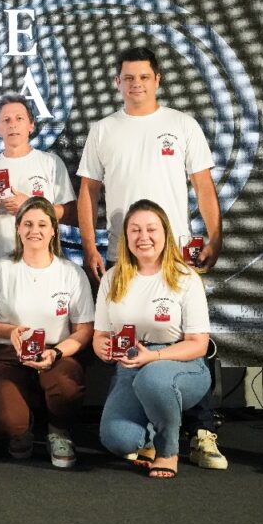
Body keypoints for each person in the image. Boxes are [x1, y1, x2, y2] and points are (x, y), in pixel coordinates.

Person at [76, 46, 226, 470]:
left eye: (144, 76)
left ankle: (201, 431)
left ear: (157, 80)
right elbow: (88, 191)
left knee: (188, 336)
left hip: (175, 251)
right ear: (117, 82)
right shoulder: (104, 130)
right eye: (128, 77)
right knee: (129, 334)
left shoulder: (182, 125)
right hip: (123, 251)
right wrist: (89, 245)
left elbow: (203, 185)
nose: (136, 84)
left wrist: (215, 237)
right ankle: (139, 427)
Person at [93, 199, 212, 479]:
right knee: (117, 439)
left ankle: (168, 450)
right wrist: (102, 348)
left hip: (181, 363)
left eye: (151, 229)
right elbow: (100, 335)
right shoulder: (112, 278)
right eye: (135, 230)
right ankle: (148, 437)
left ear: (165, 234)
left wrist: (154, 357)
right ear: (126, 237)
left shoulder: (186, 277)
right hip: (130, 365)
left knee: (153, 378)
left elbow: (199, 344)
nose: (143, 236)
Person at [0, 197, 93, 468]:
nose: (34, 230)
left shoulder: (71, 273)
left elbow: (84, 330)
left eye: (42, 224)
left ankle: (58, 430)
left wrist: (56, 352)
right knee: (10, 421)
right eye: (27, 224)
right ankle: (20, 432)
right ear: (18, 229)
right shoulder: (0, 269)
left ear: (53, 230)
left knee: (66, 387)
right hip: (7, 352)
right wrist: (9, 331)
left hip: (56, 351)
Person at [0, 92, 74, 275]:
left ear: (31, 125)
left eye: (19, 118)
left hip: (41, 263)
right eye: (6, 120)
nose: (13, 125)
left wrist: (29, 206)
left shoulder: (50, 163)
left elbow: (70, 213)